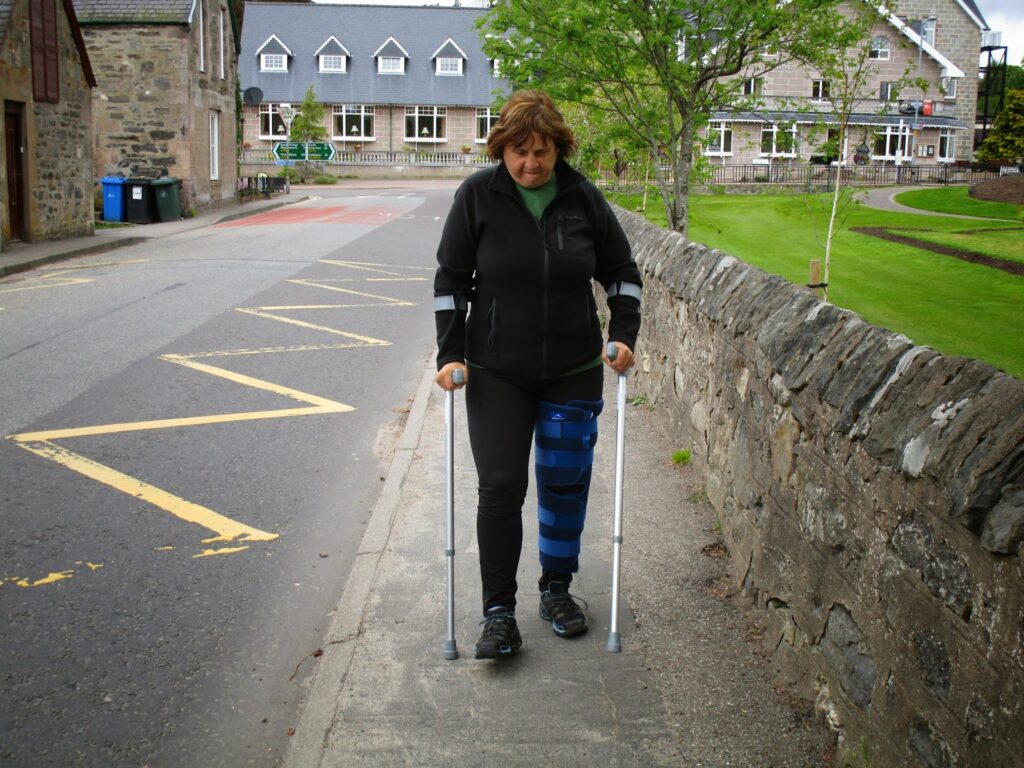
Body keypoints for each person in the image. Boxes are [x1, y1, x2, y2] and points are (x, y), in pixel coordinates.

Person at [433, 90, 642, 660]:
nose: (531, 163)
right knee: (501, 486)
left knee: (564, 483)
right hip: (496, 371)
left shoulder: (582, 198)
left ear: (558, 149)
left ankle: (556, 590)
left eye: (542, 151)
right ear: (502, 149)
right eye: (520, 151)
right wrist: (450, 354)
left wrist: (624, 334)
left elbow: (622, 273)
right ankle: (499, 613)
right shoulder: (478, 196)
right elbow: (450, 282)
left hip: (572, 369)